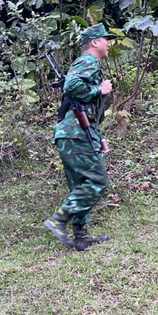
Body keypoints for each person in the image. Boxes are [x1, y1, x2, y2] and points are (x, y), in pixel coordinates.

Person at [44, 23, 118, 251]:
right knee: (97, 181)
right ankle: (58, 220)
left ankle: (81, 235)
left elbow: (85, 109)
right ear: (95, 42)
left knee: (80, 183)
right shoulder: (88, 61)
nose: (109, 43)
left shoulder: (89, 64)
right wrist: (100, 90)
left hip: (73, 133)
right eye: (106, 39)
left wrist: (99, 136)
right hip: (74, 134)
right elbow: (71, 85)